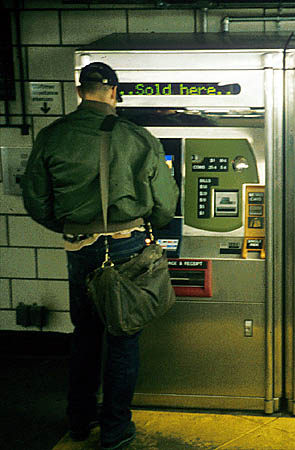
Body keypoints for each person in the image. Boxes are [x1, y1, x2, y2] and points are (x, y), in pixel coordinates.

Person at [21, 62, 178, 450]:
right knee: (123, 337)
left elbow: (36, 201)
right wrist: (149, 226)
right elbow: (165, 202)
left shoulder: (52, 136)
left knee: (85, 335)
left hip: (78, 247)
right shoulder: (137, 136)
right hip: (126, 245)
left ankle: (79, 419)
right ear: (113, 92)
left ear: (79, 92)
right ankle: (115, 429)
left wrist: (72, 228)